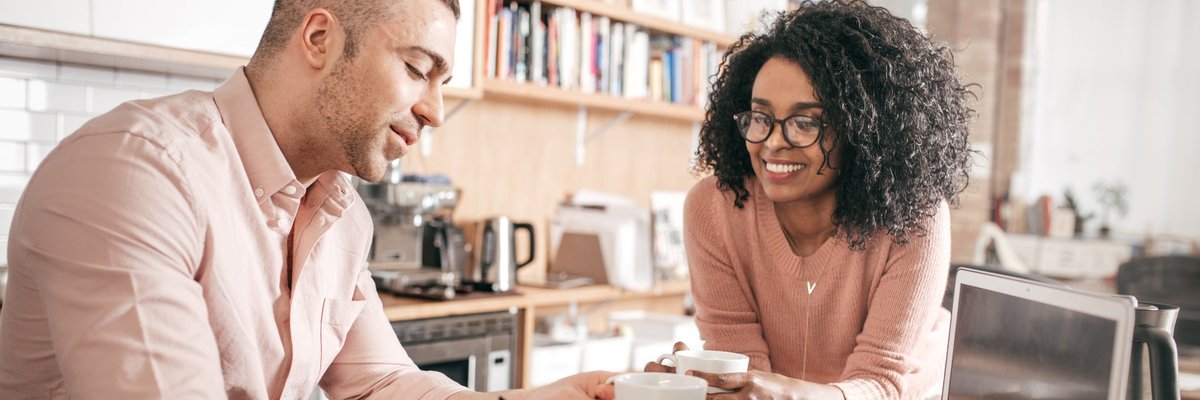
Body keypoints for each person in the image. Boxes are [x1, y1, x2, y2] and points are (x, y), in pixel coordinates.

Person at [0, 0, 612, 398]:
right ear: (319, 36)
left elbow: (381, 385)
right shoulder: (137, 170)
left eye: (443, 83)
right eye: (417, 68)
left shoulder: (339, 214)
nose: (435, 110)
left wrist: (567, 394)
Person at [644, 1, 975, 399]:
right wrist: (711, 383)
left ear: (862, 130)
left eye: (805, 123)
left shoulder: (913, 218)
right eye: (760, 117)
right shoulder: (714, 208)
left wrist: (787, 394)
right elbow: (746, 373)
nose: (772, 143)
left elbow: (881, 382)